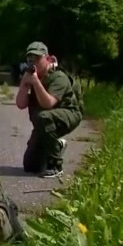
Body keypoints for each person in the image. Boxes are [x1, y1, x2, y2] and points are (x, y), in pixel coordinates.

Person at [15, 42, 83, 178]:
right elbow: (21, 104)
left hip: (67, 115)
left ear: (48, 59)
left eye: (37, 59)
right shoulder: (33, 77)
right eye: (30, 60)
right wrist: (24, 84)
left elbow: (48, 103)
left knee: (44, 117)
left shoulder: (58, 77)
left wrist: (35, 82)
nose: (33, 63)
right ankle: (55, 145)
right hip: (44, 122)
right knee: (30, 166)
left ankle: (55, 165)